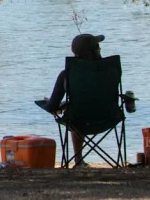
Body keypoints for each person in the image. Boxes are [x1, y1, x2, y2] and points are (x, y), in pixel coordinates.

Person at [42, 33, 104, 166]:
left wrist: (52, 104)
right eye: (98, 47)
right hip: (108, 117)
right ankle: (79, 160)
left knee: (75, 114)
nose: (100, 50)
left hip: (79, 120)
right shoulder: (110, 70)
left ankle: (78, 159)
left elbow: (52, 107)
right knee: (77, 110)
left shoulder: (67, 74)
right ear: (91, 52)